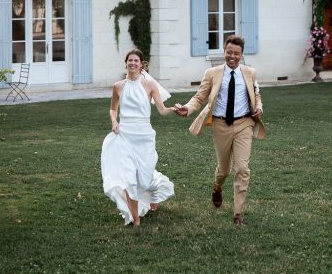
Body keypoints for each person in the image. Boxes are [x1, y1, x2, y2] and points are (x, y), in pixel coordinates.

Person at [173, 35, 265, 226]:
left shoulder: (250, 73)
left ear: (241, 55)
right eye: (229, 52)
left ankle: (238, 213)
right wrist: (187, 108)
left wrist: (259, 108)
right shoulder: (212, 73)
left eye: (236, 53)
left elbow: (256, 95)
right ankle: (217, 188)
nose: (232, 56)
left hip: (244, 124)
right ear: (224, 52)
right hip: (220, 125)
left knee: (242, 169)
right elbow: (199, 98)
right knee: (224, 170)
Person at [100, 49, 175, 227]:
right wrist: (114, 121)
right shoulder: (118, 86)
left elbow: (162, 110)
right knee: (129, 179)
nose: (133, 63)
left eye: (136, 61)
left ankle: (154, 195)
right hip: (124, 135)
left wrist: (174, 110)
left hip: (144, 136)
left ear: (142, 64)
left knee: (146, 180)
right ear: (126, 63)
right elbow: (113, 109)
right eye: (130, 60)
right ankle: (135, 219)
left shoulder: (149, 85)